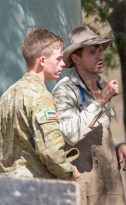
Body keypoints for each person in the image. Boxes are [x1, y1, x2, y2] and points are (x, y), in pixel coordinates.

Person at [52, 26, 126, 205]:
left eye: (100, 50)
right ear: (76, 58)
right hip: (82, 184)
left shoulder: (102, 85)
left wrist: (119, 145)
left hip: (110, 183)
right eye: (92, 52)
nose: (100, 56)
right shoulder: (65, 89)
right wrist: (100, 101)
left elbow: (101, 131)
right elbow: (69, 134)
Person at [0, 28, 80, 180]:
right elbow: (51, 151)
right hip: (35, 187)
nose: (63, 64)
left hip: (6, 186)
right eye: (58, 59)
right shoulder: (42, 97)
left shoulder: (6, 95)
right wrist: (70, 171)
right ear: (42, 60)